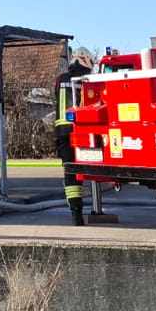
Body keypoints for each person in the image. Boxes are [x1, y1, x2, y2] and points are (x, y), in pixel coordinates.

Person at [54, 51, 93, 225]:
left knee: (70, 171)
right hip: (81, 131)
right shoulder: (87, 81)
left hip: (62, 133)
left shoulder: (60, 79)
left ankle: (75, 213)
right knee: (85, 168)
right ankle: (83, 210)